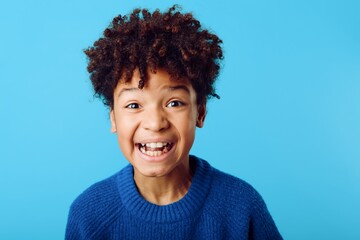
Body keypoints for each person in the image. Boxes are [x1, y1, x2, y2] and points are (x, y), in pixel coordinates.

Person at [65, 5, 283, 240]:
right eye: (133, 105)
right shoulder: (89, 215)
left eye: (174, 103)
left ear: (200, 112)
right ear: (113, 118)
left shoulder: (241, 206)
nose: (155, 123)